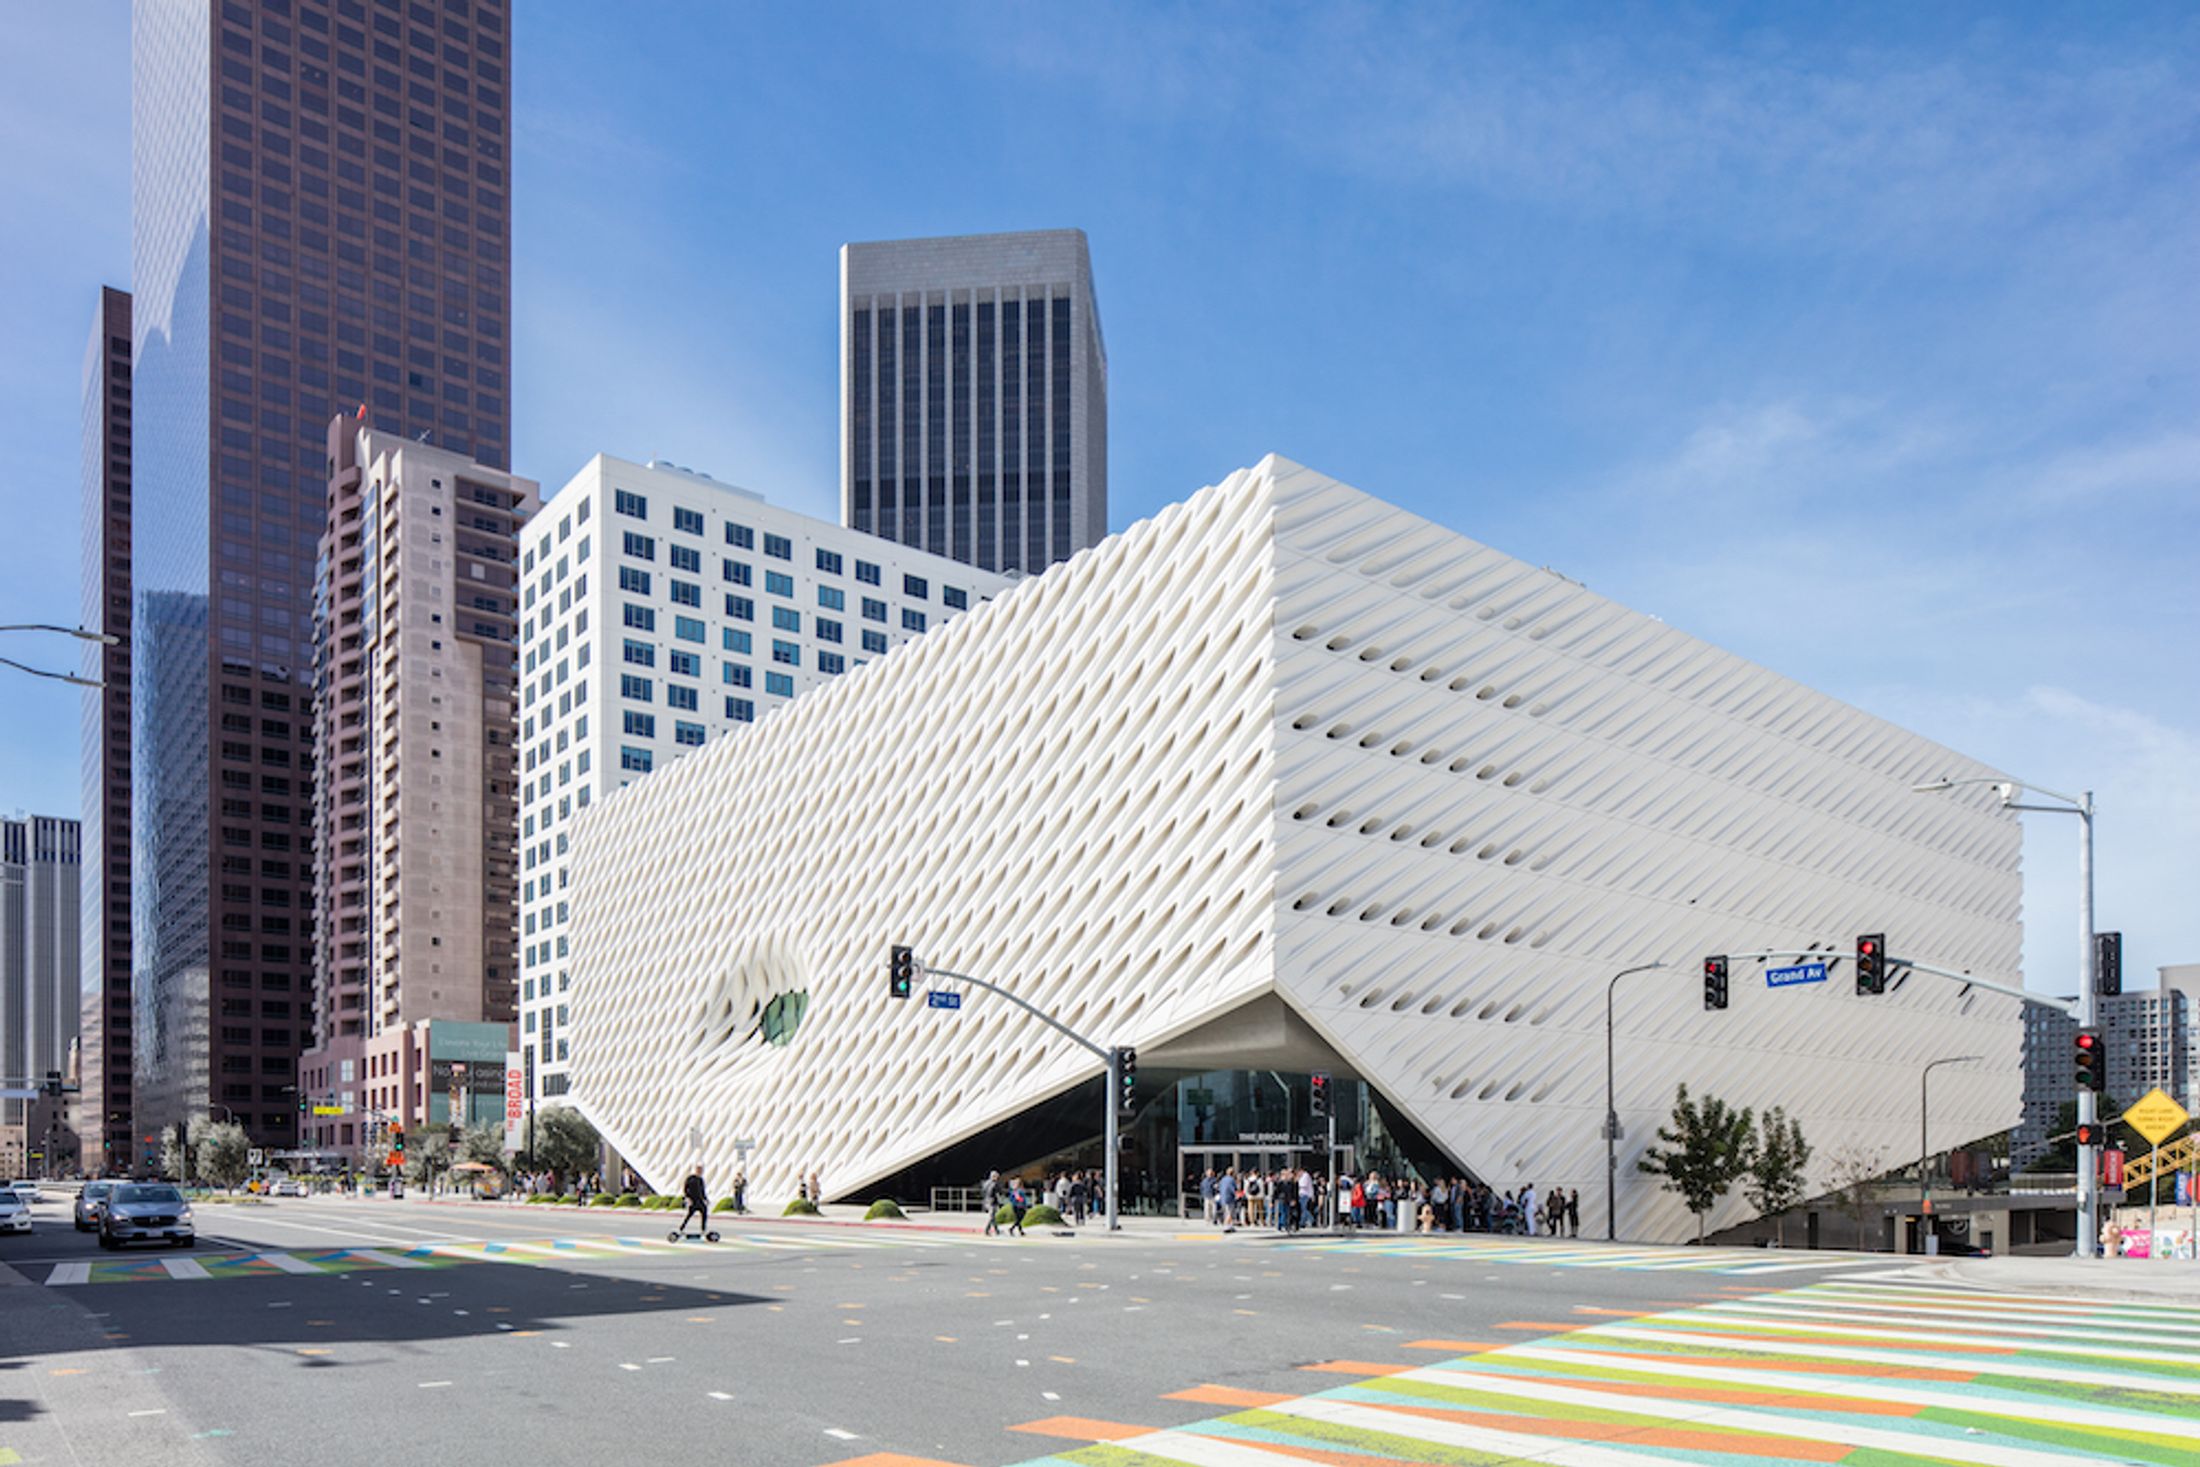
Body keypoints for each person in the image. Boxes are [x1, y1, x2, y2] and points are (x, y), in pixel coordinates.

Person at [678, 1165, 710, 1236]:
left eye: (701, 1171)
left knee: (704, 1213)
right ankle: (681, 1228)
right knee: (689, 1215)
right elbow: (685, 1189)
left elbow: (702, 1191)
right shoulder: (690, 1178)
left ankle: (703, 1229)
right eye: (699, 1170)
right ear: (696, 1170)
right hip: (693, 1200)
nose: (700, 1172)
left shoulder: (701, 1180)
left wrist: (706, 1199)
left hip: (700, 1200)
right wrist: (687, 1198)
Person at [982, 1169, 1002, 1236]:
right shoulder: (995, 1184)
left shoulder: (985, 1183)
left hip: (986, 1201)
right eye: (996, 1176)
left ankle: (997, 1231)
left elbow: (983, 1192)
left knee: (993, 1217)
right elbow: (998, 1194)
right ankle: (986, 1230)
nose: (997, 1178)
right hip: (993, 1201)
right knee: (992, 1217)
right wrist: (999, 1203)